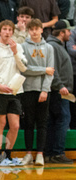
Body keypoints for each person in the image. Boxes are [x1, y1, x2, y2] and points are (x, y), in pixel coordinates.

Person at [0, 20, 27, 166]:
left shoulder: (18, 47)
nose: (8, 32)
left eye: (10, 29)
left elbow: (23, 68)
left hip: (15, 91)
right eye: (5, 29)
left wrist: (15, 52)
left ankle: (8, 155)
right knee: (1, 123)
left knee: (15, 125)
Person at [20, 19, 54, 167]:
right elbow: (25, 69)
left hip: (43, 91)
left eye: (37, 29)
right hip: (28, 89)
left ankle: (40, 154)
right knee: (28, 122)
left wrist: (45, 90)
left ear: (41, 30)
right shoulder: (23, 47)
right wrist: (43, 70)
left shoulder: (49, 48)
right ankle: (28, 153)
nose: (34, 32)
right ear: (28, 31)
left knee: (42, 123)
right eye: (31, 29)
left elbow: (50, 71)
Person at [46, 20, 73, 163]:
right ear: (62, 32)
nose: (70, 33)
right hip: (59, 90)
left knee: (54, 121)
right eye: (68, 31)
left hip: (59, 90)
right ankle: (56, 152)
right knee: (63, 119)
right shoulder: (53, 46)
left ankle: (50, 152)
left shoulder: (57, 46)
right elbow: (52, 68)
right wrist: (60, 85)